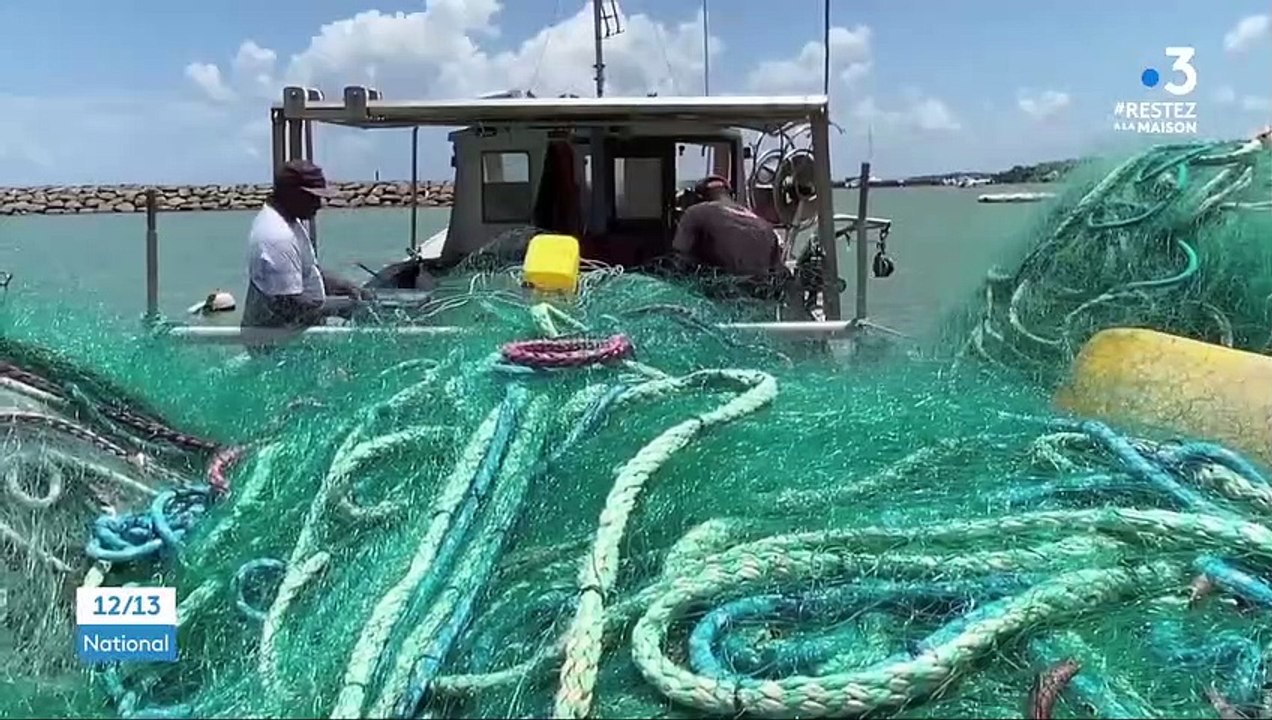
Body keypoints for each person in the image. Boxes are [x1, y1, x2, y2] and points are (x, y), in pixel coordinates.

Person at [241, 159, 369, 352]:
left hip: (293, 338)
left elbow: (303, 271)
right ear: (291, 194)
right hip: (277, 346)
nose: (319, 204)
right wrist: (344, 307)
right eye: (313, 197)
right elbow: (289, 306)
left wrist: (345, 287)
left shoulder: (288, 220)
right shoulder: (277, 236)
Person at [671, 175, 785, 280]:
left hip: (717, 295)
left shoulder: (695, 213)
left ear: (698, 198)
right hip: (758, 297)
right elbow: (779, 275)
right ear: (732, 196)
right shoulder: (765, 227)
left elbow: (679, 261)